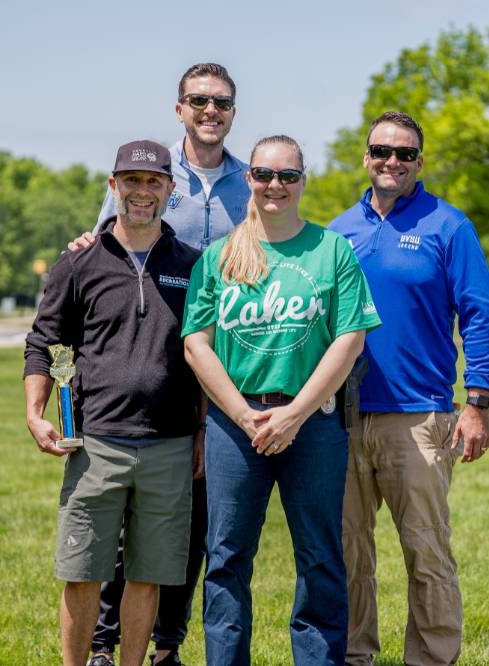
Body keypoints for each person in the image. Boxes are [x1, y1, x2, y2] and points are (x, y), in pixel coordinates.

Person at [72, 63, 249, 666]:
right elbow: (105, 239)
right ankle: (103, 644)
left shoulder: (254, 185)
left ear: (232, 111)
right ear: (179, 109)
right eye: (198, 100)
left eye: (220, 102)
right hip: (140, 369)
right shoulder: (149, 171)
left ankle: (166, 644)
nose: (209, 110)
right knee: (125, 526)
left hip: (218, 367)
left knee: (190, 524)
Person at [182, 135, 382, 666]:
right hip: (234, 425)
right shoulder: (221, 255)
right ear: (249, 178)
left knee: (320, 557)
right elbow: (196, 342)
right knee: (226, 557)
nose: (275, 186)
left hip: (312, 424)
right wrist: (245, 415)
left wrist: (293, 413)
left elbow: (350, 338)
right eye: (264, 175)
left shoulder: (330, 250)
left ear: (302, 180)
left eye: (287, 176)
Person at [328, 111, 489, 666]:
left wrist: (476, 402)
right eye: (381, 151)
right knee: (348, 553)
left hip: (419, 418)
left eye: (404, 154)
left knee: (426, 552)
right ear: (366, 157)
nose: (391, 162)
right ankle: (355, 655)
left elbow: (478, 314)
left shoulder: (449, 226)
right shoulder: (336, 232)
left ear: (419, 163)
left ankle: (430, 659)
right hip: (343, 418)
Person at [24, 140, 203, 666]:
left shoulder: (194, 267)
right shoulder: (77, 262)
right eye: (132, 181)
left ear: (171, 192)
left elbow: (205, 354)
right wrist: (35, 413)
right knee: (82, 572)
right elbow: (44, 341)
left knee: (148, 575)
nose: (142, 192)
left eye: (153, 182)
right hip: (95, 442)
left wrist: (202, 430)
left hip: (169, 445)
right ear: (113, 187)